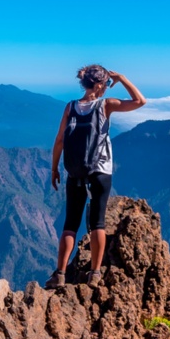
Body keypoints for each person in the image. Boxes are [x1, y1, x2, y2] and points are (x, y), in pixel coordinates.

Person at [45, 64, 146, 289]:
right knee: (97, 223)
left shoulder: (70, 107)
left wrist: (54, 169)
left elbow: (60, 140)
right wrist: (123, 78)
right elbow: (140, 101)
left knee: (70, 224)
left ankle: (59, 274)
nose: (107, 89)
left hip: (75, 172)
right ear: (100, 84)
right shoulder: (105, 106)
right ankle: (95, 273)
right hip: (100, 171)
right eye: (106, 85)